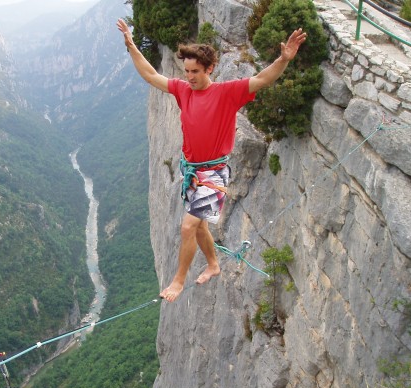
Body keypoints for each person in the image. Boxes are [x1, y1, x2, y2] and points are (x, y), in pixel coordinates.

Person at [116, 18, 307, 302]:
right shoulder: (183, 90)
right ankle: (214, 265)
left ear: (209, 69)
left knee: (188, 226)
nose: (189, 77)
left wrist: (283, 59)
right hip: (192, 171)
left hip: (214, 174)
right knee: (201, 225)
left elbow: (264, 79)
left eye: (195, 71)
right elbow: (151, 76)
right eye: (187, 71)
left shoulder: (227, 93)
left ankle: (178, 281)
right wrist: (131, 45)